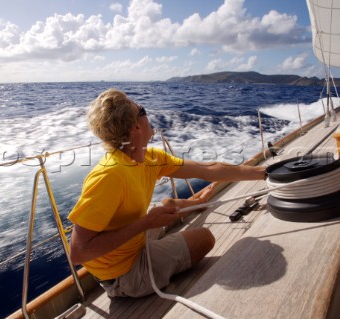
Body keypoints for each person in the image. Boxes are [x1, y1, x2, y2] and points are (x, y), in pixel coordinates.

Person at [68, 88, 266, 298]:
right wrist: (145, 223)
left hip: (135, 242)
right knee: (204, 238)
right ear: (136, 125)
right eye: (142, 110)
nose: (148, 114)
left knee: (166, 205)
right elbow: (79, 253)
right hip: (123, 275)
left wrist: (262, 173)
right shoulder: (109, 176)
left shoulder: (150, 158)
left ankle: (201, 201)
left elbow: (207, 169)